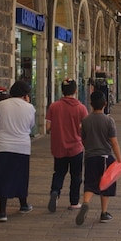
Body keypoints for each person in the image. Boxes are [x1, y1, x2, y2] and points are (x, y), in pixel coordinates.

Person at [0, 81, 36, 222]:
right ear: (25, 95)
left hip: (1, 146)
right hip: (22, 147)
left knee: (3, 178)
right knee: (21, 177)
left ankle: (2, 211)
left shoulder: (1, 105)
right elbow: (31, 126)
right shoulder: (30, 108)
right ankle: (23, 204)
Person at [76, 90, 121, 225]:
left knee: (90, 183)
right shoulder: (109, 120)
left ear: (91, 104)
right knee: (105, 184)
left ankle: (85, 203)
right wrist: (119, 159)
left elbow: (83, 139)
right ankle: (104, 213)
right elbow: (113, 142)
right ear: (105, 103)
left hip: (90, 157)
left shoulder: (85, 120)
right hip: (105, 157)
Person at [45, 78, 87, 212]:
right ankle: (74, 202)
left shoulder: (54, 106)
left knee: (59, 172)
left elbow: (48, 127)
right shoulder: (81, 108)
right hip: (76, 147)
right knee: (76, 176)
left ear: (62, 91)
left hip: (59, 147)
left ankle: (55, 192)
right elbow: (85, 129)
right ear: (75, 91)